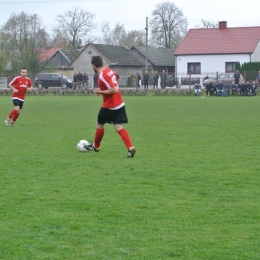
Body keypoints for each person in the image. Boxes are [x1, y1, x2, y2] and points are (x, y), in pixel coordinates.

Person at [84, 55, 136, 158]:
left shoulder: (102, 75)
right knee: (118, 126)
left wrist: (101, 91)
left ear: (93, 65)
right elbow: (115, 80)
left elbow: (114, 89)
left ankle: (96, 146)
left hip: (110, 106)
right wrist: (102, 92)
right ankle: (130, 148)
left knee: (99, 124)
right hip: (119, 103)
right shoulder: (109, 70)